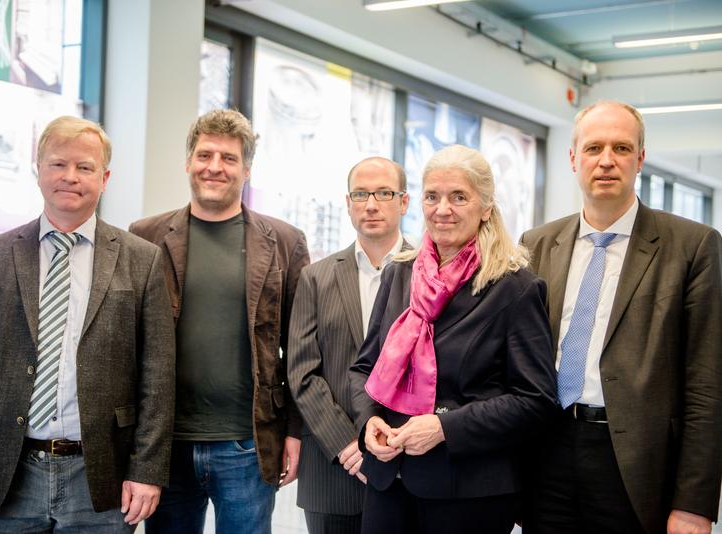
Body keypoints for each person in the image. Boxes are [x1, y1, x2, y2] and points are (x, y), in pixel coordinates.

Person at [0, 116, 176, 531]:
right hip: (3, 471)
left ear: (105, 177)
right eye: (58, 164)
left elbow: (158, 376)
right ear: (38, 168)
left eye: (85, 167)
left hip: (101, 477)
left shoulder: (142, 260)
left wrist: (147, 469)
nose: (70, 177)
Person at [521, 100, 722, 534]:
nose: (606, 160)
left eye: (621, 148)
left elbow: (709, 387)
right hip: (546, 452)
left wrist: (693, 505)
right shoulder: (537, 244)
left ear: (640, 159)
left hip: (636, 465)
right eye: (594, 148)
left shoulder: (693, 247)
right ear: (573, 158)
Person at [349, 144, 557, 534]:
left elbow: (535, 400)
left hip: (468, 491)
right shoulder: (400, 274)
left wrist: (445, 428)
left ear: (486, 207)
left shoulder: (515, 288)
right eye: (432, 196)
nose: (442, 209)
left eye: (459, 197)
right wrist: (369, 421)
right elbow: (364, 368)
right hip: (388, 482)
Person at [129, 109, 310, 534]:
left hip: (247, 443)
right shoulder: (145, 236)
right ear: (188, 161)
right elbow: (127, 343)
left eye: (228, 158)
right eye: (205, 154)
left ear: (246, 169)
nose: (215, 167)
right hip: (164, 444)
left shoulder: (285, 242)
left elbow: (301, 348)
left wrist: (295, 431)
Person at [289, 156, 410, 534]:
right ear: (347, 202)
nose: (371, 204)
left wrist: (392, 440)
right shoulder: (316, 278)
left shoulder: (431, 273)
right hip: (333, 469)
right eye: (361, 194)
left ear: (403, 202)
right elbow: (302, 372)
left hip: (407, 464)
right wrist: (347, 445)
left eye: (383, 193)